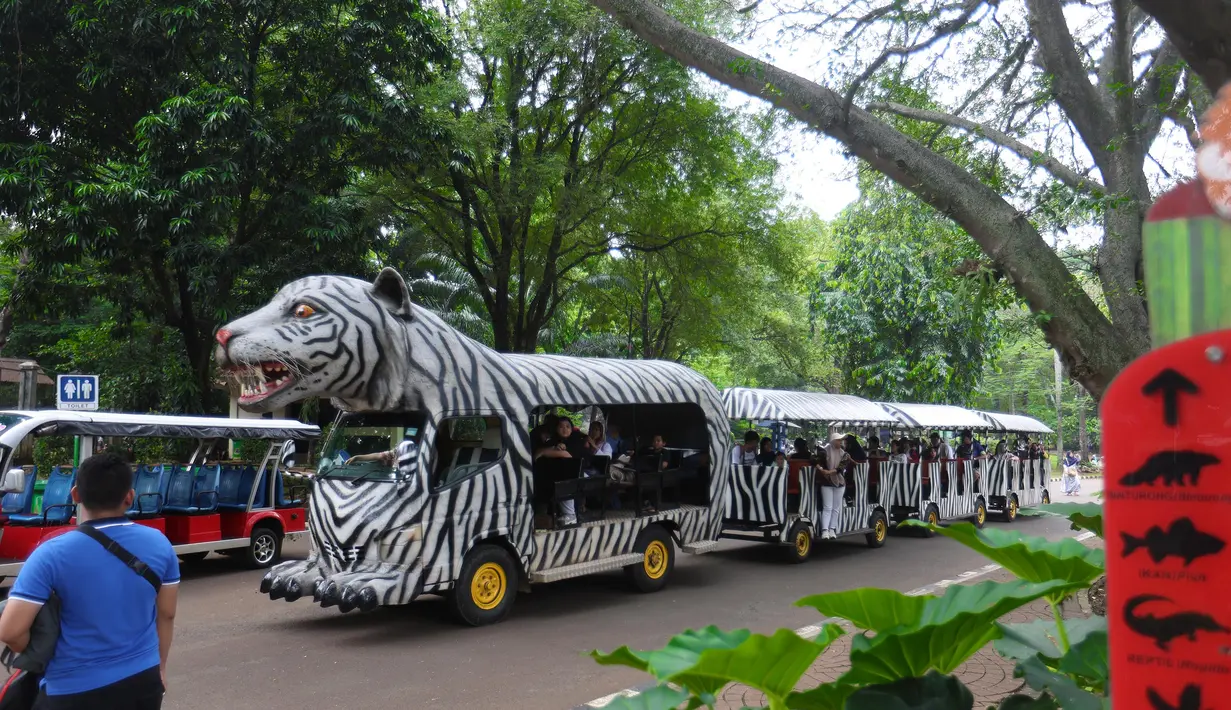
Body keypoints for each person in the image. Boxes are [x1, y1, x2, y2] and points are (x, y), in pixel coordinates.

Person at [0, 452, 179, 710]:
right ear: (129, 497)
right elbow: (167, 615)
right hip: (143, 681)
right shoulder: (161, 544)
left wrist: (41, 651)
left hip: (72, 689)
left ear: (75, 495)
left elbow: (11, 631)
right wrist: (160, 668)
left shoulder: (50, 554)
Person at [816, 432, 848, 540]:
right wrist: (821, 470)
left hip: (840, 483)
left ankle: (832, 529)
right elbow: (813, 459)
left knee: (835, 508)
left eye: (841, 440)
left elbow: (840, 468)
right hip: (826, 483)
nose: (840, 442)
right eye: (838, 440)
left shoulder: (843, 453)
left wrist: (828, 472)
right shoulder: (824, 451)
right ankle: (825, 530)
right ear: (833, 441)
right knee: (827, 507)